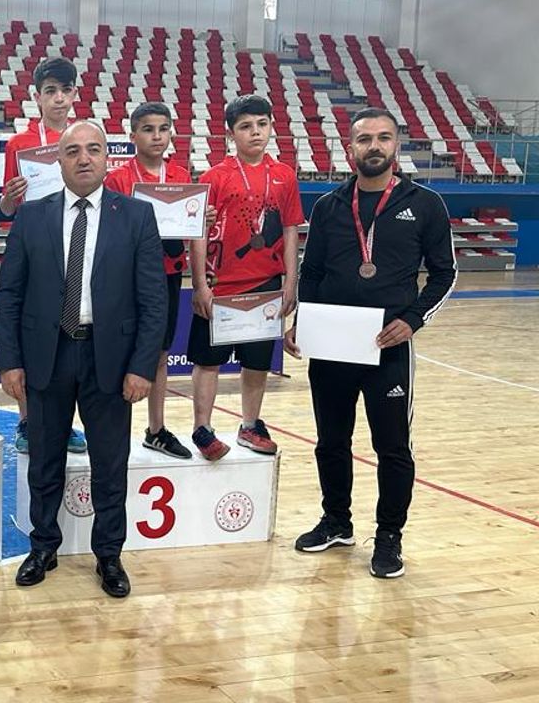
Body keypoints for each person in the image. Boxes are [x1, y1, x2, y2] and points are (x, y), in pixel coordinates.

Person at [0, 120, 166, 598]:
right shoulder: (32, 216)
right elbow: (9, 295)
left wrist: (141, 367)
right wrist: (9, 361)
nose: (84, 158)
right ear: (59, 161)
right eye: (72, 151)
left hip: (110, 359)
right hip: (46, 356)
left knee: (110, 464)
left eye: (93, 149)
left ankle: (108, 554)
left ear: (107, 158)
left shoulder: (137, 216)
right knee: (43, 460)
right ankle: (43, 546)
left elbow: (154, 300)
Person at [287, 107, 456, 579]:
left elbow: (445, 274)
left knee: (392, 447)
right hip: (333, 345)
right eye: (365, 139)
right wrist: (303, 320)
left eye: (383, 137)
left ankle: (388, 536)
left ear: (396, 145)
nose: (374, 146)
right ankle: (336, 522)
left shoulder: (425, 204)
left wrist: (413, 320)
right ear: (350, 149)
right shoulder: (329, 206)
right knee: (330, 442)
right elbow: (312, 272)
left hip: (388, 345)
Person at [188, 94, 303, 461]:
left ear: (271, 126)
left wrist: (290, 282)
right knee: (208, 361)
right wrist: (200, 285)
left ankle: (250, 424)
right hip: (220, 285)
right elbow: (198, 233)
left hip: (266, 284)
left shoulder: (284, 176)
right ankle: (202, 428)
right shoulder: (214, 177)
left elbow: (290, 229)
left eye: (262, 124)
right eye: (246, 126)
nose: (255, 132)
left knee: (257, 362)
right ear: (230, 134)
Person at [104, 101, 214, 460]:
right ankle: (112, 430)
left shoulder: (181, 175)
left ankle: (155, 429)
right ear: (132, 135)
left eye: (163, 129)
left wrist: (202, 223)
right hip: (125, 277)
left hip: (167, 275)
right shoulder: (118, 179)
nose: (156, 136)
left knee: (160, 352)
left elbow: (194, 234)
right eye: (148, 129)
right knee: (118, 351)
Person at [0, 56, 87, 456]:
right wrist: (9, 198)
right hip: (35, 250)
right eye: (50, 91)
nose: (58, 98)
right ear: (37, 97)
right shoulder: (20, 144)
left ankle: (64, 423)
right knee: (33, 336)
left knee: (70, 340)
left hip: (77, 246)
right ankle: (27, 420)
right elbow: (6, 210)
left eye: (65, 90)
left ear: (74, 94)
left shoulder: (84, 138)